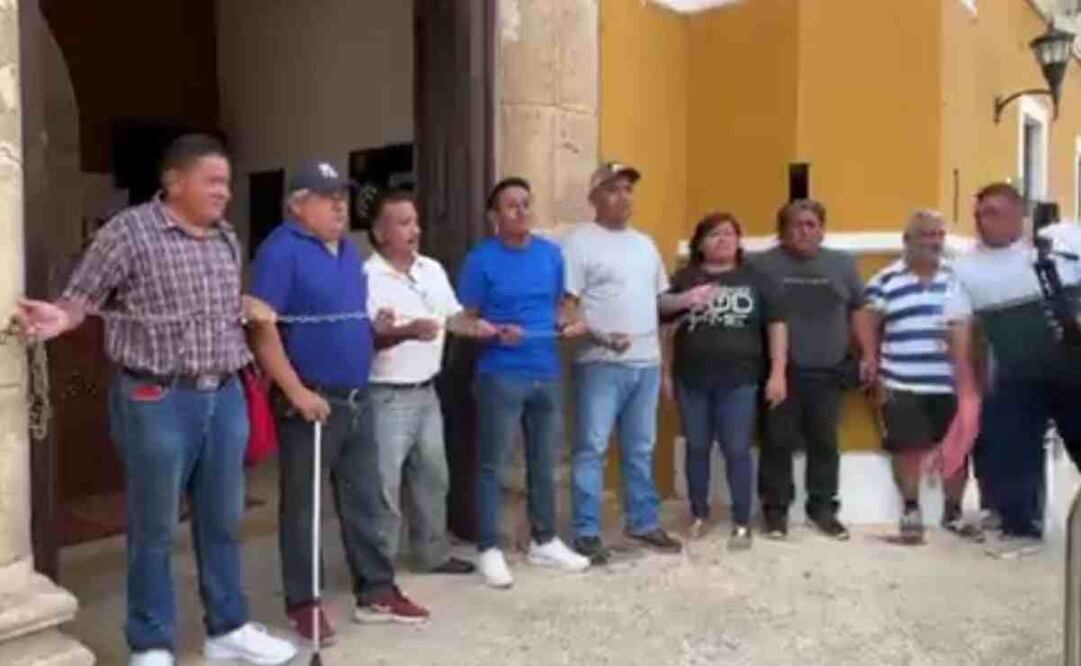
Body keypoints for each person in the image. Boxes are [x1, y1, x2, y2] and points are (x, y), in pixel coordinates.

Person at [15, 134, 296, 666]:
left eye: (227, 184)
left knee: (222, 519)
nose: (224, 192)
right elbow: (82, 298)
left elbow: (214, 307)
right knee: (155, 527)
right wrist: (60, 317)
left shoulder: (225, 238)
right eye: (213, 182)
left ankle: (228, 629)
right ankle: (150, 643)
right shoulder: (129, 232)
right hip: (157, 397)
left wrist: (247, 307)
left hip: (225, 395)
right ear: (174, 181)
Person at [248, 161, 429, 645]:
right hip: (311, 398)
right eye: (326, 197)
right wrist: (297, 392)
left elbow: (344, 318)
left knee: (365, 500)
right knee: (304, 508)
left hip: (357, 394)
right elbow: (262, 328)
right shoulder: (281, 250)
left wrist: (376, 328)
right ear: (297, 205)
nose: (338, 206)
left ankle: (376, 591)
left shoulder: (349, 250)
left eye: (342, 197)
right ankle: (304, 604)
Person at [457, 177, 591, 588]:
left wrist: (570, 324)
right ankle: (489, 547)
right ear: (494, 216)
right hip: (500, 373)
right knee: (492, 464)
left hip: (546, 370)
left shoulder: (551, 255)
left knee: (544, 462)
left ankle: (544, 540)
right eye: (512, 205)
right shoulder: (480, 259)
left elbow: (560, 308)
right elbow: (464, 320)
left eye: (526, 203)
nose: (521, 211)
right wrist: (495, 331)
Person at [365, 189, 498, 575]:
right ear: (380, 232)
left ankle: (431, 554)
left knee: (433, 476)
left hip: (427, 391)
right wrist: (405, 332)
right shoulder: (366, 277)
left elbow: (453, 317)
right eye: (404, 223)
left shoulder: (432, 269)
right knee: (385, 484)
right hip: (387, 394)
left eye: (416, 222)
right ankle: (380, 566)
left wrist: (485, 329)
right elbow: (368, 338)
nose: (415, 231)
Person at [946, 182, 1081, 558]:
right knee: (1013, 450)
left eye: (992, 212)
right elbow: (959, 328)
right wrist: (967, 392)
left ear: (1018, 215)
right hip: (1018, 373)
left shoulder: (1064, 242)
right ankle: (1021, 528)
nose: (981, 220)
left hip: (1073, 367)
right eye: (978, 214)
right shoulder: (965, 268)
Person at [563, 162, 684, 564]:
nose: (623, 196)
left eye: (628, 189)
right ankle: (586, 531)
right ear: (594, 197)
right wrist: (599, 335)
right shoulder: (578, 242)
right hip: (600, 363)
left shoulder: (645, 245)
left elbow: (659, 302)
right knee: (592, 448)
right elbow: (567, 307)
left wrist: (689, 300)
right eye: (613, 189)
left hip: (645, 363)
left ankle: (642, 522)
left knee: (640, 448)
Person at [660, 212, 788, 550]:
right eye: (714, 234)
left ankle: (742, 520)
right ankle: (698, 513)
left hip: (740, 380)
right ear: (700, 243)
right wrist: (666, 373)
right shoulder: (684, 279)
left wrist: (778, 373)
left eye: (729, 233)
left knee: (737, 449)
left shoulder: (756, 278)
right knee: (697, 447)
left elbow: (776, 326)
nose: (723, 240)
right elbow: (666, 329)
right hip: (692, 379)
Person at [750, 199, 876, 541]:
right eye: (796, 224)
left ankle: (823, 510)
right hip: (780, 372)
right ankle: (775, 513)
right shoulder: (760, 265)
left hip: (829, 369)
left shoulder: (842, 264)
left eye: (811, 225)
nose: (804, 231)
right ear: (782, 231)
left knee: (825, 444)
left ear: (822, 230)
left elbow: (859, 310)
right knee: (776, 443)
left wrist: (868, 355)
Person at [861, 210, 979, 543]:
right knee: (906, 449)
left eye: (939, 235)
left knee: (957, 450)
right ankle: (911, 510)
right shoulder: (884, 280)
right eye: (926, 235)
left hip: (951, 382)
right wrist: (872, 366)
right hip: (902, 380)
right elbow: (869, 326)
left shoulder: (958, 277)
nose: (934, 242)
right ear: (907, 240)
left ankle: (953, 513)